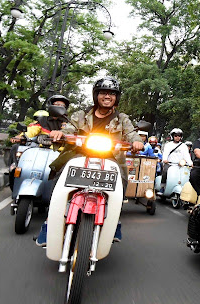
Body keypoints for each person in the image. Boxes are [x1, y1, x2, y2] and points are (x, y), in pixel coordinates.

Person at [36, 77, 143, 246]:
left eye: (112, 94)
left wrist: (137, 141)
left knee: (121, 183)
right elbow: (69, 128)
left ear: (117, 97)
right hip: (79, 155)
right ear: (96, 95)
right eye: (103, 92)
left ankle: (115, 221)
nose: (107, 96)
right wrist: (60, 134)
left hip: (111, 158)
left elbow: (131, 133)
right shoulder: (81, 115)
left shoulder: (122, 118)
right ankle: (49, 223)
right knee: (59, 179)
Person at [8, 95, 69, 191]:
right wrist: (21, 137)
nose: (58, 107)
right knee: (16, 168)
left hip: (60, 155)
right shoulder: (42, 120)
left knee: (66, 177)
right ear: (50, 106)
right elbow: (31, 130)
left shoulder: (69, 123)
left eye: (62, 105)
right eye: (56, 104)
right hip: (41, 151)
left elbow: (74, 133)